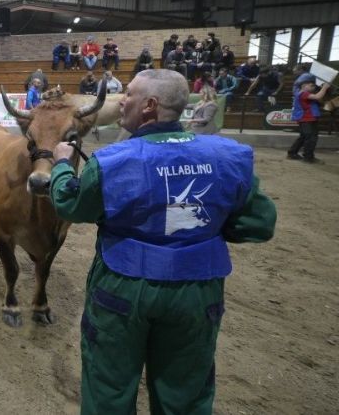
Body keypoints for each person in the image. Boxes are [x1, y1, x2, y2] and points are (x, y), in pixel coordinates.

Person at [49, 69, 276, 415]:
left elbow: (71, 204)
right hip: (198, 290)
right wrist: (201, 229)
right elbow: (260, 223)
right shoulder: (228, 156)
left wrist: (63, 165)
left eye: (129, 95)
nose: (122, 101)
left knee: (108, 386)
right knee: (185, 392)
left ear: (150, 106)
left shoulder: (112, 161)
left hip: (123, 287)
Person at [287, 78, 331, 163]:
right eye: (311, 85)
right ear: (303, 86)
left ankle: (292, 153)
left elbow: (320, 99)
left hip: (307, 118)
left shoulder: (304, 94)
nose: (313, 87)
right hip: (306, 118)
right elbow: (318, 96)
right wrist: (324, 87)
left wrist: (324, 89)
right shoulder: (303, 93)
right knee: (311, 138)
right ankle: (308, 157)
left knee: (304, 137)